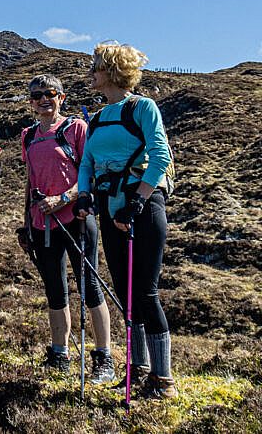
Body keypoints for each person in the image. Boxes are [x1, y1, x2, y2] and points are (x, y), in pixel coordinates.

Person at [76, 43, 177, 399]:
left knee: (145, 293)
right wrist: (85, 194)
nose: (92, 72)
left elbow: (160, 154)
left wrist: (137, 201)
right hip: (109, 207)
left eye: (96, 67)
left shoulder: (142, 107)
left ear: (112, 71)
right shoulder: (98, 118)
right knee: (126, 293)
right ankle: (138, 369)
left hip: (143, 207)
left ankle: (163, 381)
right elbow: (86, 162)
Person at [21, 74, 114, 382]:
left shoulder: (76, 128)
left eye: (50, 94)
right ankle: (59, 354)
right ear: (31, 102)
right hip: (42, 224)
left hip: (77, 219)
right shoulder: (28, 136)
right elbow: (29, 182)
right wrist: (26, 224)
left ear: (61, 97)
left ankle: (103, 357)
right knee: (55, 291)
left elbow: (91, 171)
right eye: (37, 96)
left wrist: (62, 198)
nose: (43, 99)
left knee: (90, 288)